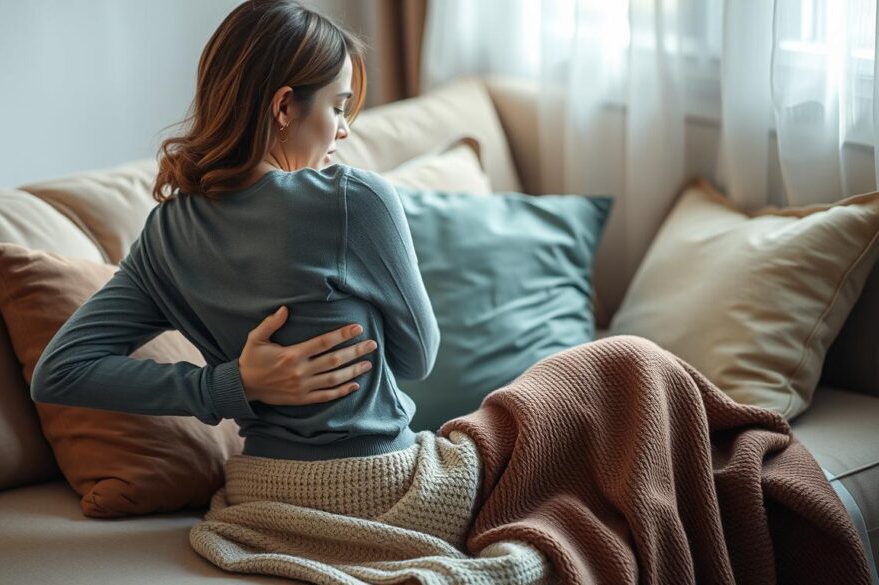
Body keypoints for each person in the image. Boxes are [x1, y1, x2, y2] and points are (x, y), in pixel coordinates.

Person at [30, 1, 542, 582]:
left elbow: (61, 371)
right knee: (618, 371)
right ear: (282, 106)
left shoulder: (165, 233)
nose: (344, 130)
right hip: (384, 490)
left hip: (262, 496)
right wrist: (241, 380)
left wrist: (227, 386)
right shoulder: (354, 198)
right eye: (338, 107)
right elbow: (418, 358)